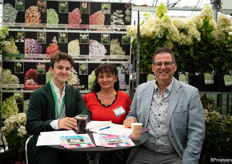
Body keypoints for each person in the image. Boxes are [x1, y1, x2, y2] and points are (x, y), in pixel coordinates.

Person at [123, 47, 205, 164]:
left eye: (167, 63)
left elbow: (197, 132)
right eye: (158, 64)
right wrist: (131, 119)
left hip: (174, 155)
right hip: (143, 153)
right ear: (153, 68)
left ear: (174, 67)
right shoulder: (141, 90)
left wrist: (189, 160)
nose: (163, 67)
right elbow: (132, 115)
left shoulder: (190, 93)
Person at [26, 52, 92, 164]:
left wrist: (77, 120)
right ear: (51, 70)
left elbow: (86, 112)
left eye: (67, 69)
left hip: (70, 142)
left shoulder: (74, 91)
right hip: (46, 145)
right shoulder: (38, 94)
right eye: (60, 68)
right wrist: (57, 123)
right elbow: (31, 126)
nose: (64, 72)